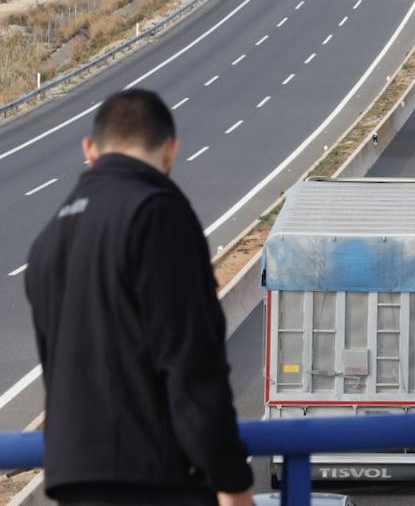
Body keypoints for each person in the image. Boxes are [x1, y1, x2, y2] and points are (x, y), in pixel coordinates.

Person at [25, 89, 253, 506]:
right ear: (171, 151)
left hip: (72, 478)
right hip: (154, 477)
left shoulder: (49, 240)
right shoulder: (157, 214)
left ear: (90, 150)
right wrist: (233, 482)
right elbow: (190, 362)